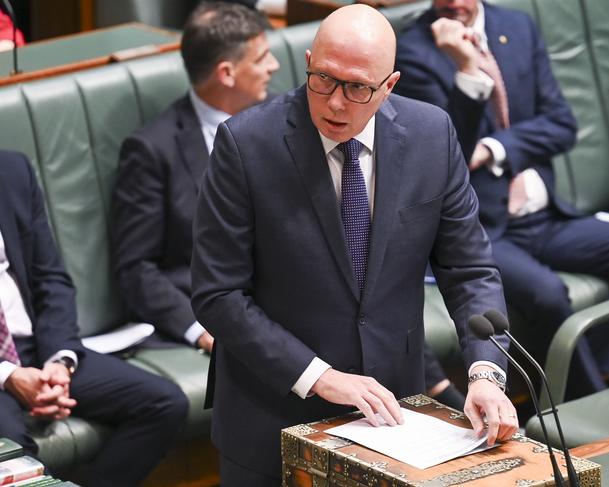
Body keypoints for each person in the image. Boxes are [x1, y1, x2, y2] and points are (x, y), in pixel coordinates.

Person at [191, 5, 518, 485]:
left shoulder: (431, 135)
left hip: (392, 412)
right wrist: (320, 376)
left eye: (358, 87)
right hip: (272, 412)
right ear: (308, 61)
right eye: (323, 79)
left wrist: (486, 374)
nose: (336, 103)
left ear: (390, 85)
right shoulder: (245, 145)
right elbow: (217, 295)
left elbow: (469, 270)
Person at [394, 0, 609, 393]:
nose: (453, 4)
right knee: (547, 294)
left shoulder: (516, 26)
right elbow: (447, 156)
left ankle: (587, 379)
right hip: (482, 228)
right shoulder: (413, 49)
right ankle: (589, 393)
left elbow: (562, 124)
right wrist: (466, 70)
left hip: (545, 218)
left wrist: (497, 147)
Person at [0, 150, 189, 487]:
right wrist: (9, 375)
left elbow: (50, 279)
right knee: (13, 452)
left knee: (163, 403)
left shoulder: (12, 169)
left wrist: (60, 360)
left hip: (36, 346)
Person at [111, 1, 279, 353]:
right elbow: (136, 269)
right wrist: (199, 330)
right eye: (262, 58)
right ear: (227, 73)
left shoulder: (283, 120)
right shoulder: (152, 151)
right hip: (214, 312)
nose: (274, 66)